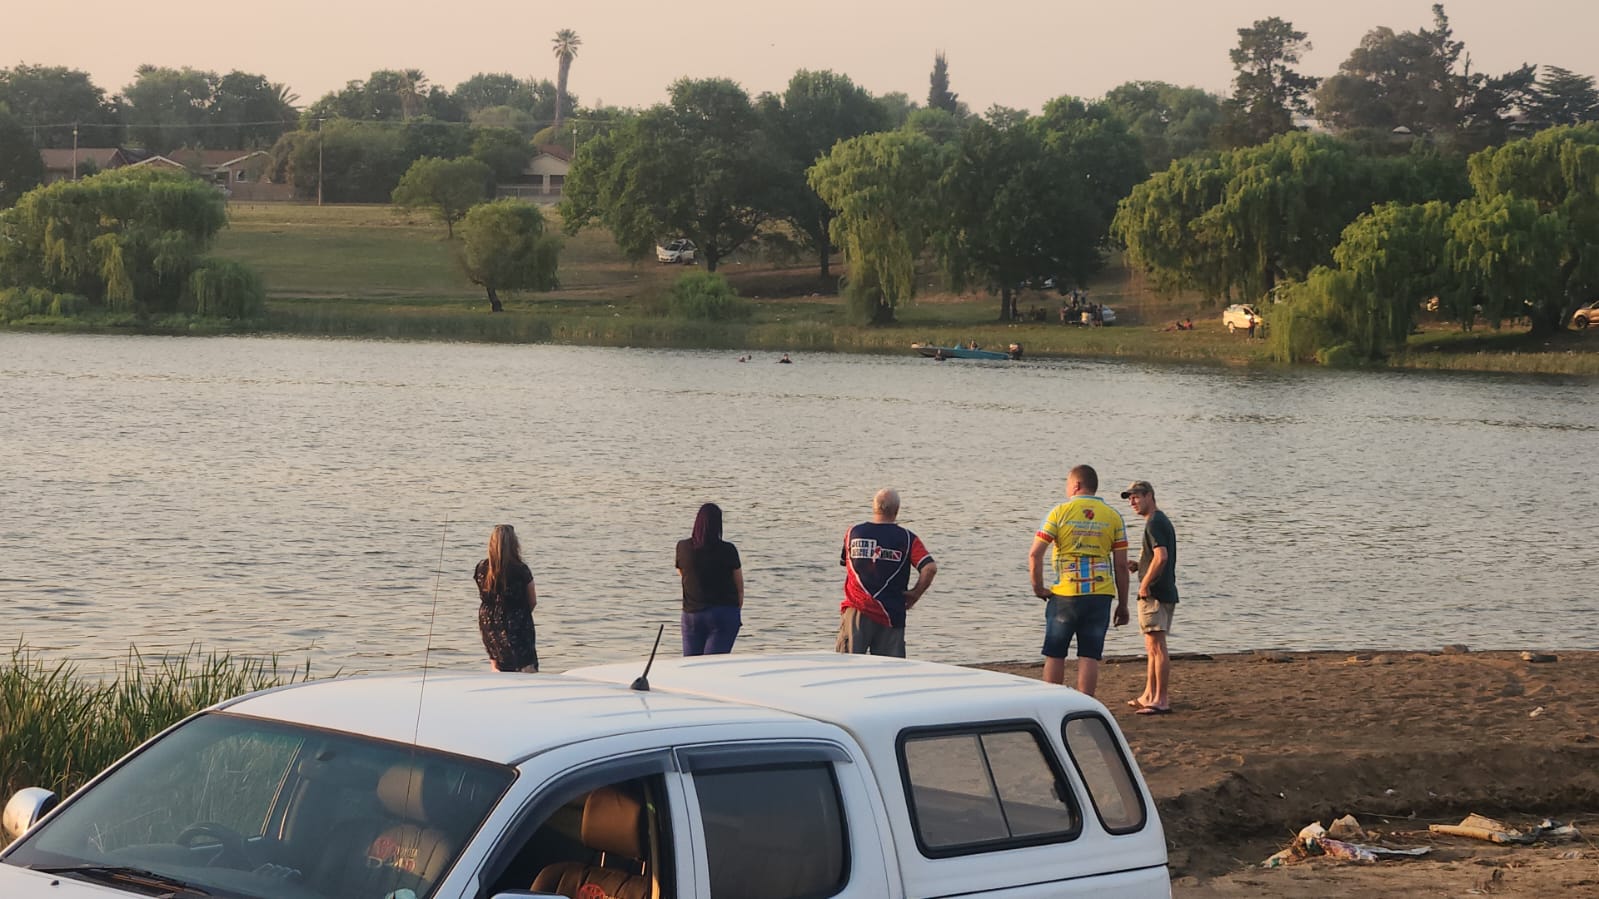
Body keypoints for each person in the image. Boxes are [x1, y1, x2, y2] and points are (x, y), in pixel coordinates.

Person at [1028, 465, 1129, 696]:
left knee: (1055, 652)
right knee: (1090, 654)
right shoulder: (1113, 516)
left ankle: (1051, 701)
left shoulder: (1059, 512)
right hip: (1100, 594)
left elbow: (1035, 554)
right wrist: (1123, 604)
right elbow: (1122, 566)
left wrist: (1038, 587)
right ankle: (1085, 707)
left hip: (1066, 593)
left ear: (1076, 485)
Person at [837, 488, 937, 657]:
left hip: (857, 610)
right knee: (892, 671)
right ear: (896, 511)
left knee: (847, 666)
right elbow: (930, 568)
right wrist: (915, 594)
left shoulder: (852, 533)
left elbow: (845, 562)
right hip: (891, 612)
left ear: (874, 507)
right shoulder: (907, 538)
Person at [1122, 480, 1178, 715]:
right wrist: (1139, 566)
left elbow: (1161, 556)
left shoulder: (1155, 522)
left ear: (1149, 496)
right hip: (1162, 590)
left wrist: (1144, 583)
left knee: (1157, 647)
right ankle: (1149, 694)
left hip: (1155, 593)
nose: (1132, 502)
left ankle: (1160, 699)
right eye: (1130, 498)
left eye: (1136, 497)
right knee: (1151, 646)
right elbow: (1156, 558)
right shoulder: (1158, 521)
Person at [675, 503, 744, 655]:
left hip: (691, 614)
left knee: (692, 665)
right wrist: (736, 611)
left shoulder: (682, 547)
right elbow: (739, 585)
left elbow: (682, 573)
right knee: (713, 665)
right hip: (723, 613)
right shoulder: (728, 550)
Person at [473, 524, 539, 672]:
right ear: (514, 544)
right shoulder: (520, 569)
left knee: (497, 664)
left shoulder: (482, 568)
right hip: (516, 622)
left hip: (489, 622)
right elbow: (532, 600)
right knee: (526, 666)